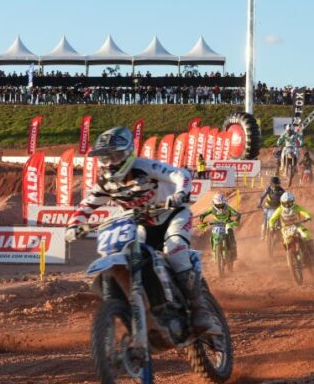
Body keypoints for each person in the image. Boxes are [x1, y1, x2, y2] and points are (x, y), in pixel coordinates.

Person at [65, 127, 220, 337]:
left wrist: (180, 193)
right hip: (141, 224)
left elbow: (179, 174)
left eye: (115, 156)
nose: (110, 163)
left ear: (128, 153)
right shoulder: (105, 183)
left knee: (174, 250)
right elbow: (86, 205)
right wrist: (74, 225)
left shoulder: (145, 167)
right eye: (105, 158)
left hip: (172, 215)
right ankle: (147, 305)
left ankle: (200, 310)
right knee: (127, 255)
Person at [268, 191, 314, 266]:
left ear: (293, 202)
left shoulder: (296, 207)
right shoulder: (280, 209)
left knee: (306, 235)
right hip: (285, 228)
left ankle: (313, 255)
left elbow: (304, 212)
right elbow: (272, 219)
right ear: (282, 203)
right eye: (285, 203)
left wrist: (308, 217)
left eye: (289, 203)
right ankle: (291, 257)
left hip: (298, 226)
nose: (287, 205)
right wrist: (271, 226)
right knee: (286, 241)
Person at [199, 192, 242, 260]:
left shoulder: (228, 208)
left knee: (230, 232)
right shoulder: (212, 209)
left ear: (224, 203)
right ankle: (214, 252)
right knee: (212, 237)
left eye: (221, 204)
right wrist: (201, 220)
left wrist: (237, 220)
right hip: (216, 224)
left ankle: (233, 251)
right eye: (218, 205)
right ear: (214, 203)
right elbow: (203, 215)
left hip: (227, 223)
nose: (220, 206)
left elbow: (237, 214)